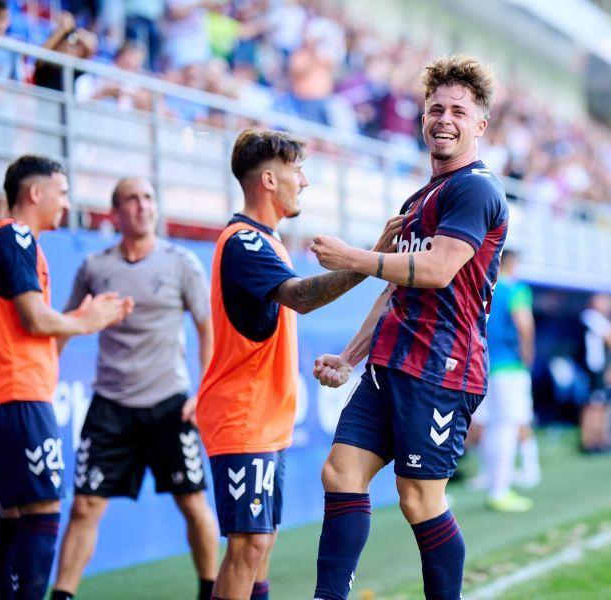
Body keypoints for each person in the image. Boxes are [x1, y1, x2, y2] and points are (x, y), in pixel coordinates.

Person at [309, 54, 508, 600]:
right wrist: (350, 359)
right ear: (422, 117)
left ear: (479, 125)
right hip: (388, 363)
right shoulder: (417, 200)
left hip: (441, 370)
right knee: (340, 473)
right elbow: (397, 290)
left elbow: (440, 270)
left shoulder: (476, 190)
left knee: (419, 498)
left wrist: (353, 256)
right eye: (435, 108)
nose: (444, 119)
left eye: (458, 111)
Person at [195, 128, 401, 600]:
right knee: (247, 546)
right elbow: (301, 298)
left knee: (258, 546)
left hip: (262, 418)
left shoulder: (264, 240)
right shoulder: (244, 242)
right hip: (242, 417)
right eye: (297, 170)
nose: (304, 181)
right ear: (269, 179)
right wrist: (369, 260)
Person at [50, 178, 219, 600]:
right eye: (132, 199)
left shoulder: (181, 262)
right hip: (110, 406)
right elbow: (68, 323)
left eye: (148, 198)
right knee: (85, 506)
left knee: (193, 503)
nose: (143, 206)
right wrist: (42, 371)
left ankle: (211, 590)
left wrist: (204, 392)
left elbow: (206, 328)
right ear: (115, 212)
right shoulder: (95, 267)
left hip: (170, 405)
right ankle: (63, 595)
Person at [0, 155, 132, 600]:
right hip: (20, 395)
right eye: (61, 192)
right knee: (42, 509)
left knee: (13, 512)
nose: (67, 202)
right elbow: (35, 319)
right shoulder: (16, 235)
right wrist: (86, 322)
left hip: (1, 395)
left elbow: (34, 323)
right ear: (35, 193)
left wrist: (86, 316)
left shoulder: (8, 241)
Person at [475, 249, 538, 512]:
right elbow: (524, 324)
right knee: (508, 425)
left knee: (490, 425)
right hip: (509, 367)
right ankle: (500, 490)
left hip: (483, 365)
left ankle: (494, 482)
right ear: (513, 263)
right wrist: (528, 356)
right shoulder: (516, 290)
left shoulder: (483, 289)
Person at [578, 293, 611, 452]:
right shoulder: (591, 317)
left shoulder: (601, 320)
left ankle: (601, 440)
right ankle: (589, 442)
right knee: (593, 405)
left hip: (600, 368)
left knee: (602, 403)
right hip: (592, 368)